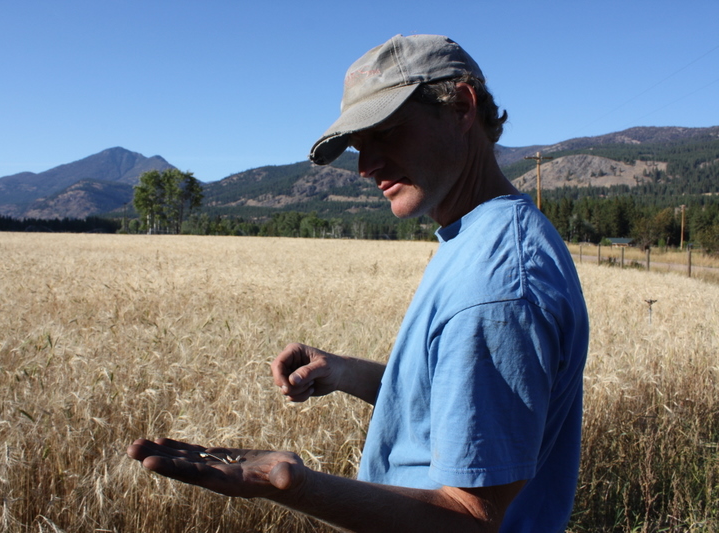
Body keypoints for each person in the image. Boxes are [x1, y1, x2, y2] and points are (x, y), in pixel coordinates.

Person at [128, 34, 589, 532]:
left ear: (460, 106)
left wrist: (290, 484)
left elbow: (470, 520)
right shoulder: (481, 237)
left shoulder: (494, 287)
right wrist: (344, 371)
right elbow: (452, 403)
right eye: (358, 146)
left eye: (386, 133)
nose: (366, 167)